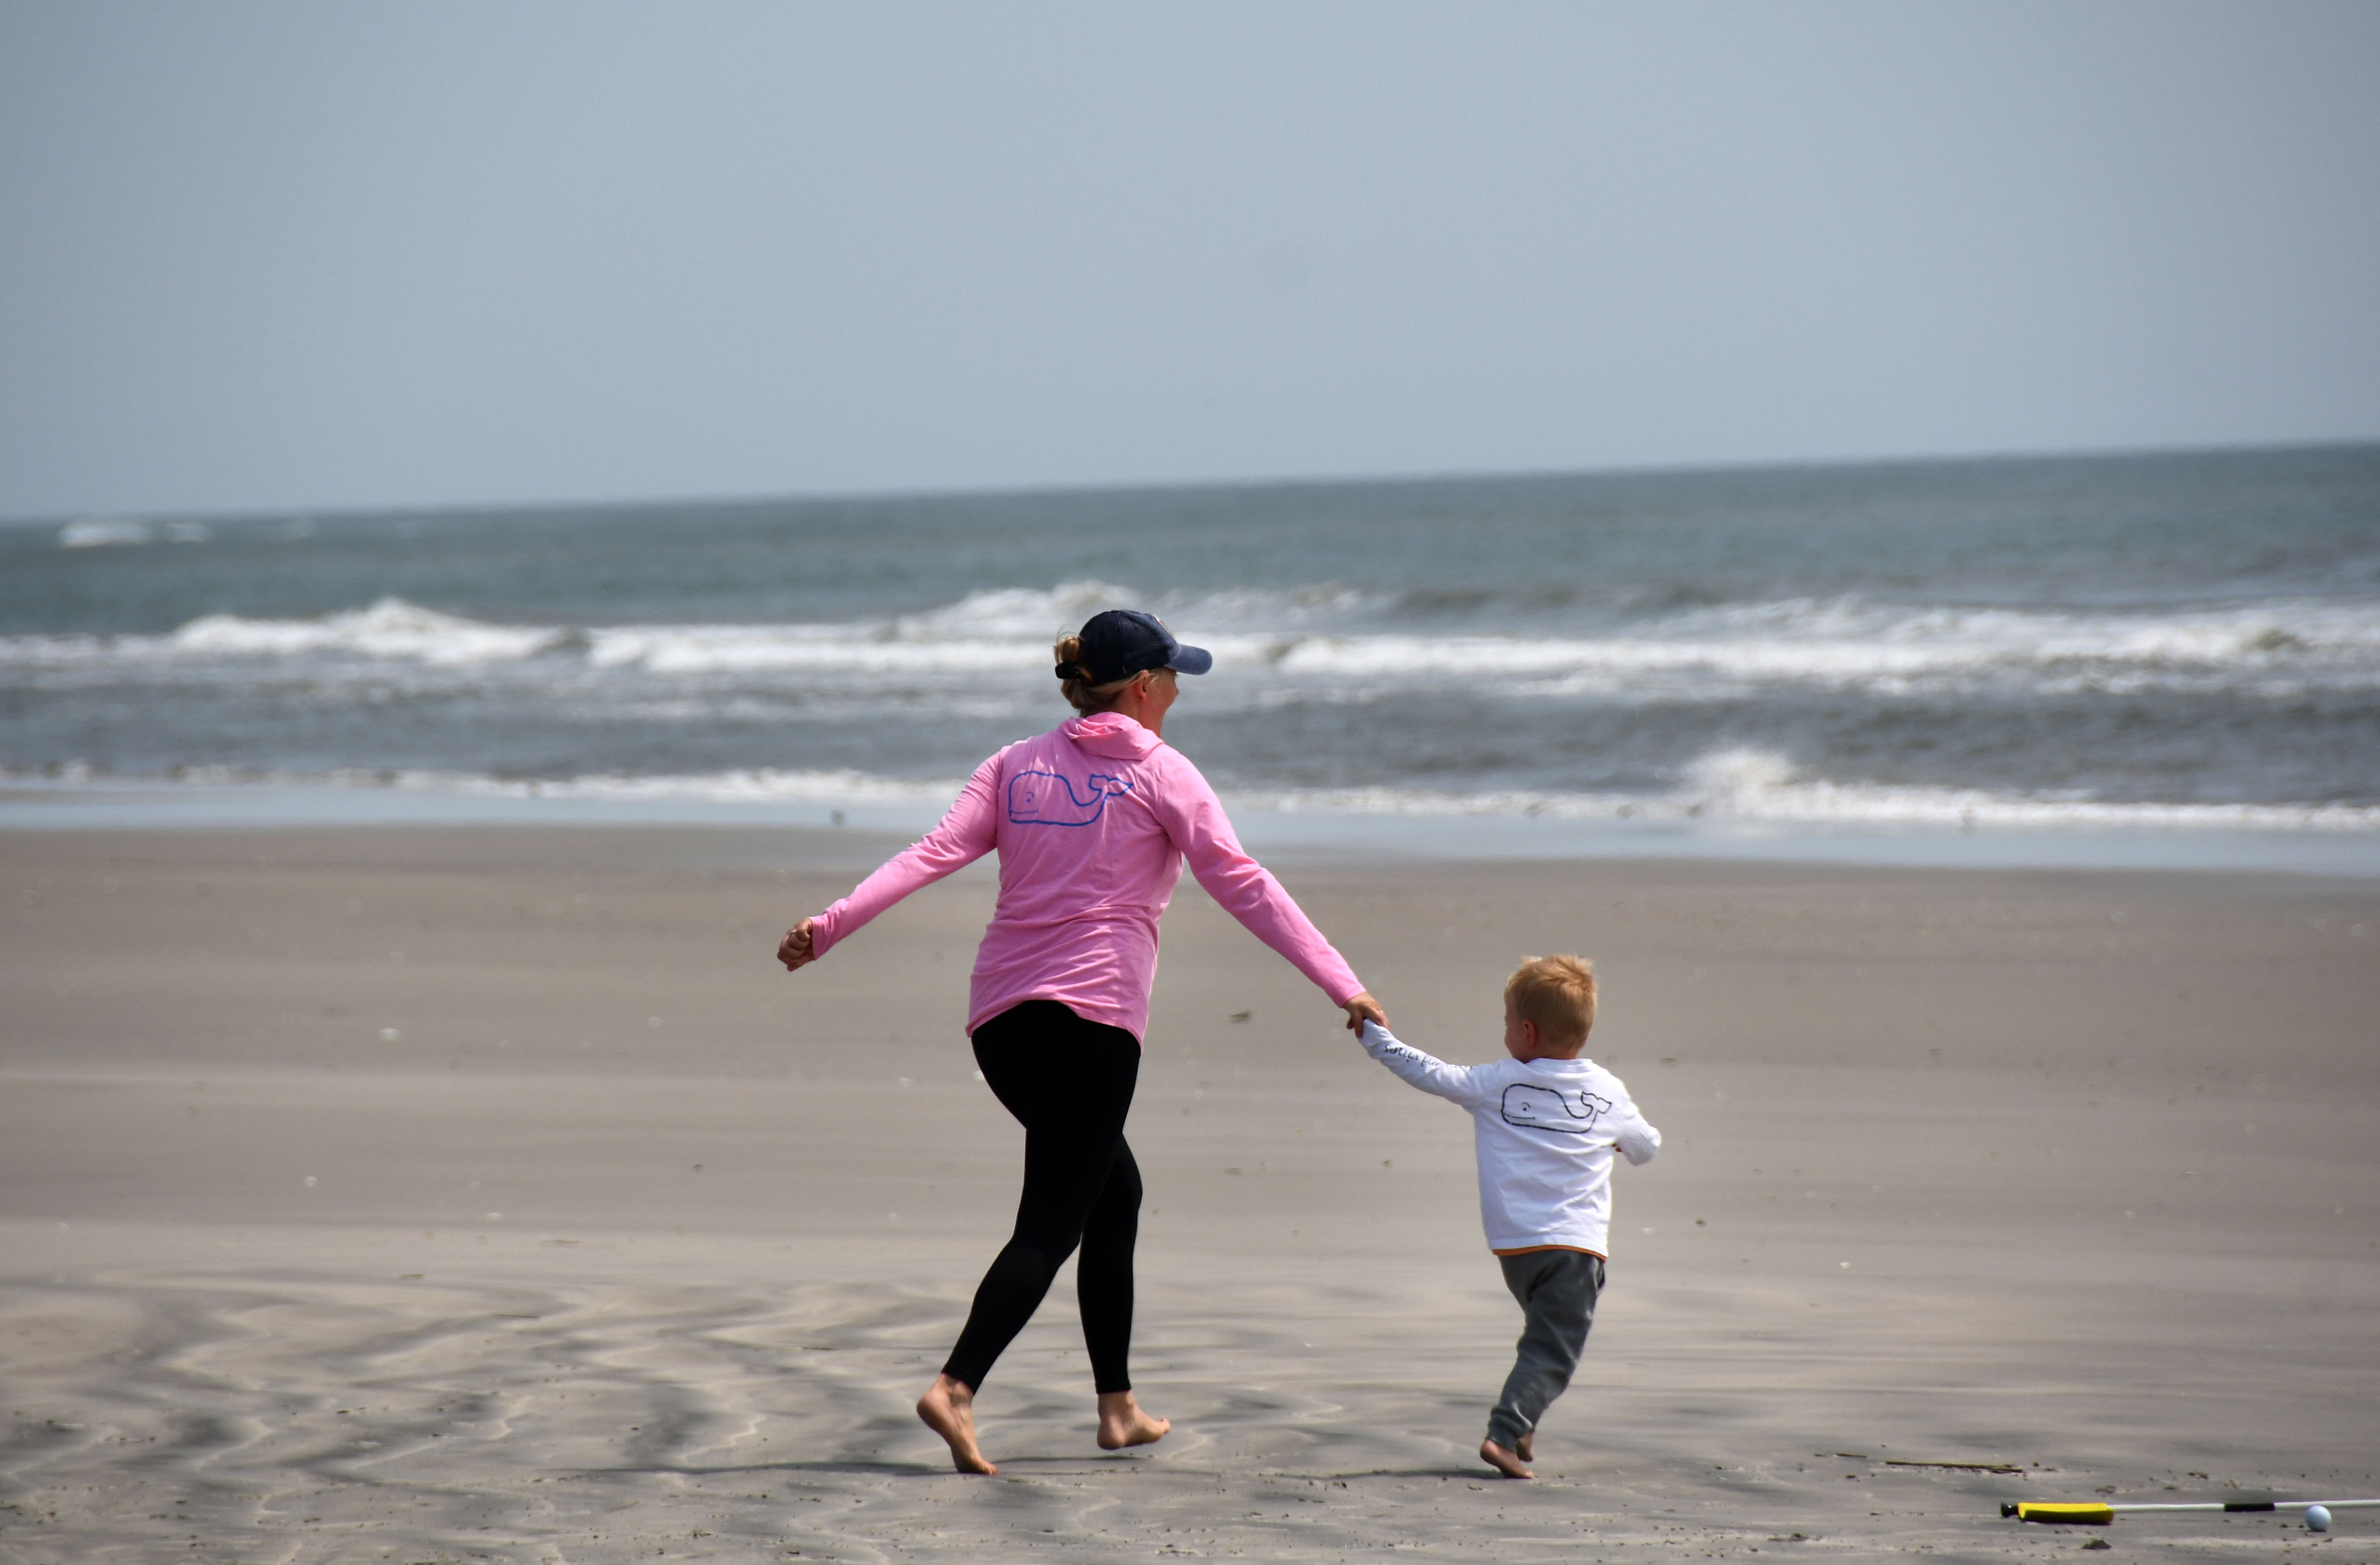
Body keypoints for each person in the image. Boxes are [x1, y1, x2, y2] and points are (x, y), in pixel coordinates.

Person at [776, 607, 1388, 1475]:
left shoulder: (1015, 763)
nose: (1178, 690)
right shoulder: (1165, 773)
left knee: (1114, 1192)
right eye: (1172, 676)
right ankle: (955, 1386)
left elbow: (932, 852)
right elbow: (1243, 882)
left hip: (1001, 1025)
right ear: (1142, 686)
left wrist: (830, 925)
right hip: (1093, 1026)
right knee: (1050, 1222)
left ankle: (1118, 1406)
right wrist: (1342, 980)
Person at [1353, 955, 1660, 1479]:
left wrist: (1375, 1036)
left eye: (1506, 1022)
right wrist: (1612, 1139)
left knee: (1542, 1337)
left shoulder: (1495, 1083)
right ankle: (1503, 1433)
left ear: (1527, 1031)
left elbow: (1429, 1072)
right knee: (1554, 1349)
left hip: (1515, 1250)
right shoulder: (1607, 1091)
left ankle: (1523, 1425)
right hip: (1575, 1249)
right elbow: (1646, 1147)